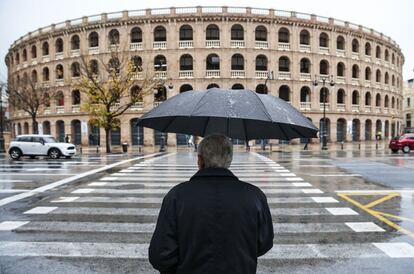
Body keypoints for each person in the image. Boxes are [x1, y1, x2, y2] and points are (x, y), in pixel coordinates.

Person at [149, 134, 274, 274]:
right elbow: (264, 244)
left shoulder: (176, 196)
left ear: (200, 160)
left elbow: (160, 255)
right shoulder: (254, 195)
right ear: (229, 160)